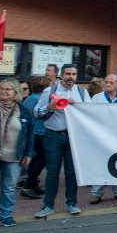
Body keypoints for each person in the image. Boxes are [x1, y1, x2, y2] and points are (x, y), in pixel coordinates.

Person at [33, 63, 90, 218]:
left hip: (73, 137)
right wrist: (51, 106)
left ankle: (71, 203)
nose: (70, 77)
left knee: (71, 172)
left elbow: (90, 113)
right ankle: (48, 206)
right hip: (53, 135)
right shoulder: (50, 91)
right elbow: (37, 112)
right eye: (67, 74)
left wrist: (77, 105)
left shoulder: (82, 92)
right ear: (61, 76)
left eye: (73, 74)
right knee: (52, 172)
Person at [0, 78, 34, 227]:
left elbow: (30, 134)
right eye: (2, 89)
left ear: (16, 92)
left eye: (8, 89)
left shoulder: (23, 111)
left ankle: (6, 215)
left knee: (9, 187)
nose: (4, 91)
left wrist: (29, 153)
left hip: (15, 155)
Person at [88, 74, 117, 204]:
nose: (108, 84)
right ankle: (97, 192)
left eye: (111, 82)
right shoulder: (96, 98)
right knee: (100, 163)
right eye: (106, 82)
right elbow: (91, 116)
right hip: (102, 136)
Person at [20, 76, 48, 201]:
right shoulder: (41, 99)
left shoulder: (28, 99)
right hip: (41, 132)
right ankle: (28, 186)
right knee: (43, 159)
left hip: (31, 133)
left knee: (36, 158)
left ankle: (33, 184)